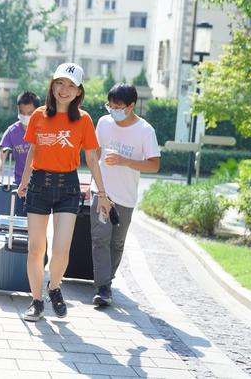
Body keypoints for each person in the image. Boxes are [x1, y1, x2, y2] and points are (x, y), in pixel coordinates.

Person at [17, 63, 111, 321]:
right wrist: (24, 182)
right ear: (52, 85)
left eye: (71, 85)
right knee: (36, 248)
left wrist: (102, 194)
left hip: (68, 186)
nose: (64, 89)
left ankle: (54, 287)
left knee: (61, 249)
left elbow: (92, 158)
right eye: (60, 83)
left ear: (79, 91)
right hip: (39, 183)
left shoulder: (84, 119)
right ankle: (36, 301)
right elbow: (32, 153)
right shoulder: (38, 115)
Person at [90, 83, 160, 306]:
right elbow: (94, 153)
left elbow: (154, 165)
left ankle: (107, 281)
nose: (113, 110)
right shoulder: (103, 122)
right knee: (100, 238)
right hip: (101, 193)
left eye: (118, 106)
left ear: (131, 106)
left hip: (126, 197)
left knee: (117, 243)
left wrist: (124, 161)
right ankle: (103, 287)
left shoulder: (145, 131)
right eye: (109, 105)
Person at [0, 91, 41, 215]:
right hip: (20, 186)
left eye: (29, 113)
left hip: (41, 186)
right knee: (19, 222)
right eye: (22, 113)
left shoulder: (44, 130)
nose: (25, 116)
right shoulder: (12, 131)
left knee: (38, 228)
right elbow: (2, 156)